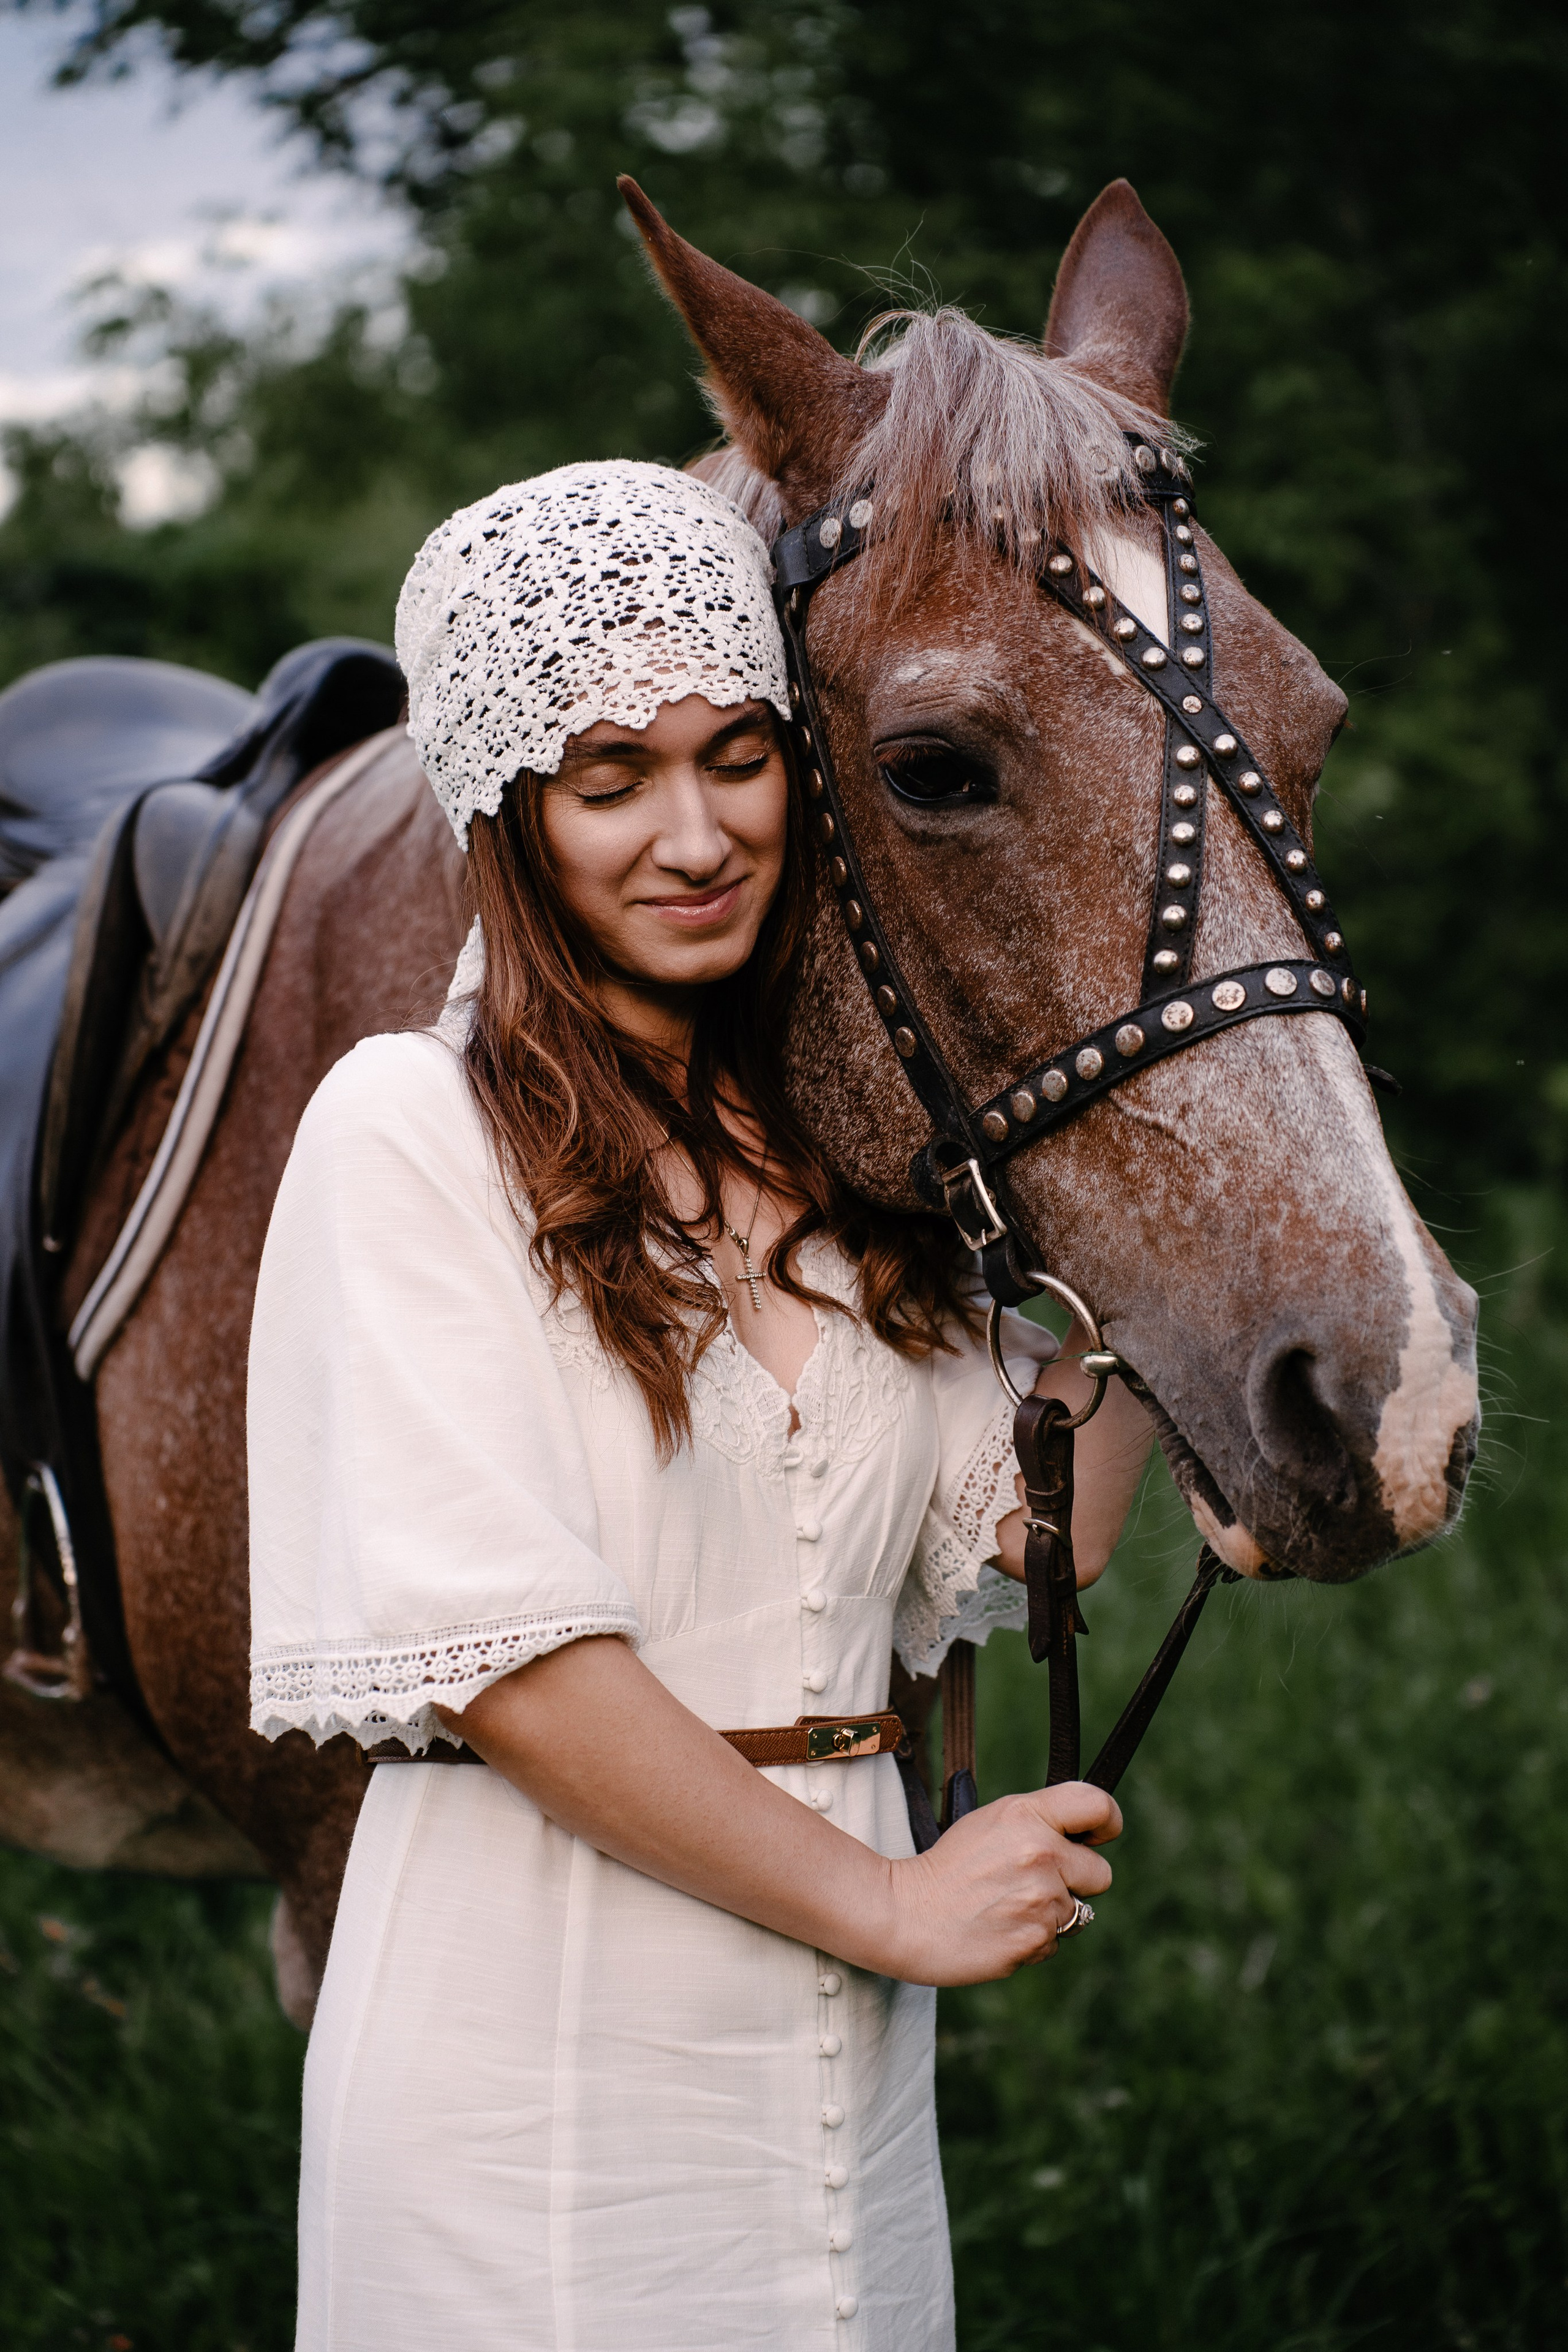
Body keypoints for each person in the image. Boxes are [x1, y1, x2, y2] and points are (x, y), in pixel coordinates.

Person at [247, 459, 1153, 2352]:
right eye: (611, 781)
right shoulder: (408, 1134)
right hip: (534, 2076)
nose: (696, 834)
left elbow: (1019, 1534)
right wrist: (893, 1907)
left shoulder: (842, 1161)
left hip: (842, 2089)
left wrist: (1197, 1241)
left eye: (739, 758)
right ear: (509, 812)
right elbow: (519, 1670)